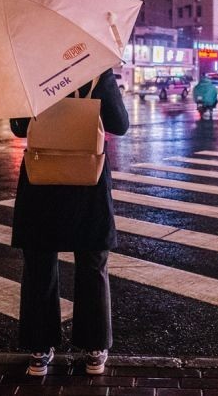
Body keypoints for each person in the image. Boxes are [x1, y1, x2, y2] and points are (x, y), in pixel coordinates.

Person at [9, 68, 129, 377]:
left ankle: (39, 349)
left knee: (39, 263)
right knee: (92, 263)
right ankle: (94, 349)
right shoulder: (96, 71)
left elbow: (19, 127)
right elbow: (120, 124)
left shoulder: (30, 69)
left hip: (42, 176)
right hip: (87, 178)